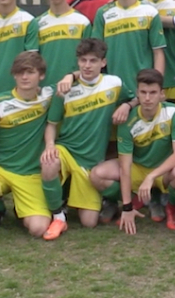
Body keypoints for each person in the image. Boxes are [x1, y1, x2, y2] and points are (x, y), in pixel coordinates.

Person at [42, 39, 133, 239]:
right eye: (83, 60)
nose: (87, 65)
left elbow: (134, 98)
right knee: (49, 162)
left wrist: (127, 105)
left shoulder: (114, 84)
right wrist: (50, 145)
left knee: (89, 223)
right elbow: (51, 124)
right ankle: (59, 217)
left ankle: (122, 200)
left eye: (93, 61)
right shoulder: (64, 89)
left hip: (91, 161)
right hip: (67, 149)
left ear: (103, 62)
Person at [88, 69, 175, 234]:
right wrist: (127, 207)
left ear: (162, 94)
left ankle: (171, 206)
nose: (148, 98)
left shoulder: (173, 112)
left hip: (163, 171)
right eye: (143, 92)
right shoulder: (128, 120)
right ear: (137, 93)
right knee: (97, 175)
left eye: (153, 93)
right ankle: (135, 200)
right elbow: (125, 166)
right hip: (138, 167)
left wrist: (152, 176)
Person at [0, 51, 55, 238]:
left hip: (30, 173)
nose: (24, 77)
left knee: (38, 229)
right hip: (0, 167)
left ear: (41, 75)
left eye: (30, 72)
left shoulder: (49, 97)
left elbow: (82, 77)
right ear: (14, 75)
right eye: (20, 72)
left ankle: (21, 206)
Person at [91, 0, 166, 95]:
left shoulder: (149, 12)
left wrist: (157, 86)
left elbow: (158, 53)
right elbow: (96, 55)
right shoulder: (103, 13)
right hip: (112, 90)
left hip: (143, 90)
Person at [31, 0, 92, 87]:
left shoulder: (82, 22)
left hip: (75, 88)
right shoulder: (36, 23)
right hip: (46, 89)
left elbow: (90, 60)